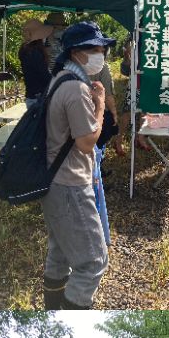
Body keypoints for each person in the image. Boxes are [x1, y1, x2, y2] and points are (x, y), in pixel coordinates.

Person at [41, 21, 115, 309]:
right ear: (76, 52)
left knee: (60, 252)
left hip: (54, 180)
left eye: (102, 49)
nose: (101, 54)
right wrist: (99, 104)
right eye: (95, 49)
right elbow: (86, 142)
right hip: (70, 184)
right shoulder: (75, 89)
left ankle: (54, 308)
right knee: (93, 262)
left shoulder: (59, 78)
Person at [18, 19, 52, 106]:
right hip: (38, 97)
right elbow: (43, 75)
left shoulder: (25, 49)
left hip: (31, 95)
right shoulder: (34, 53)